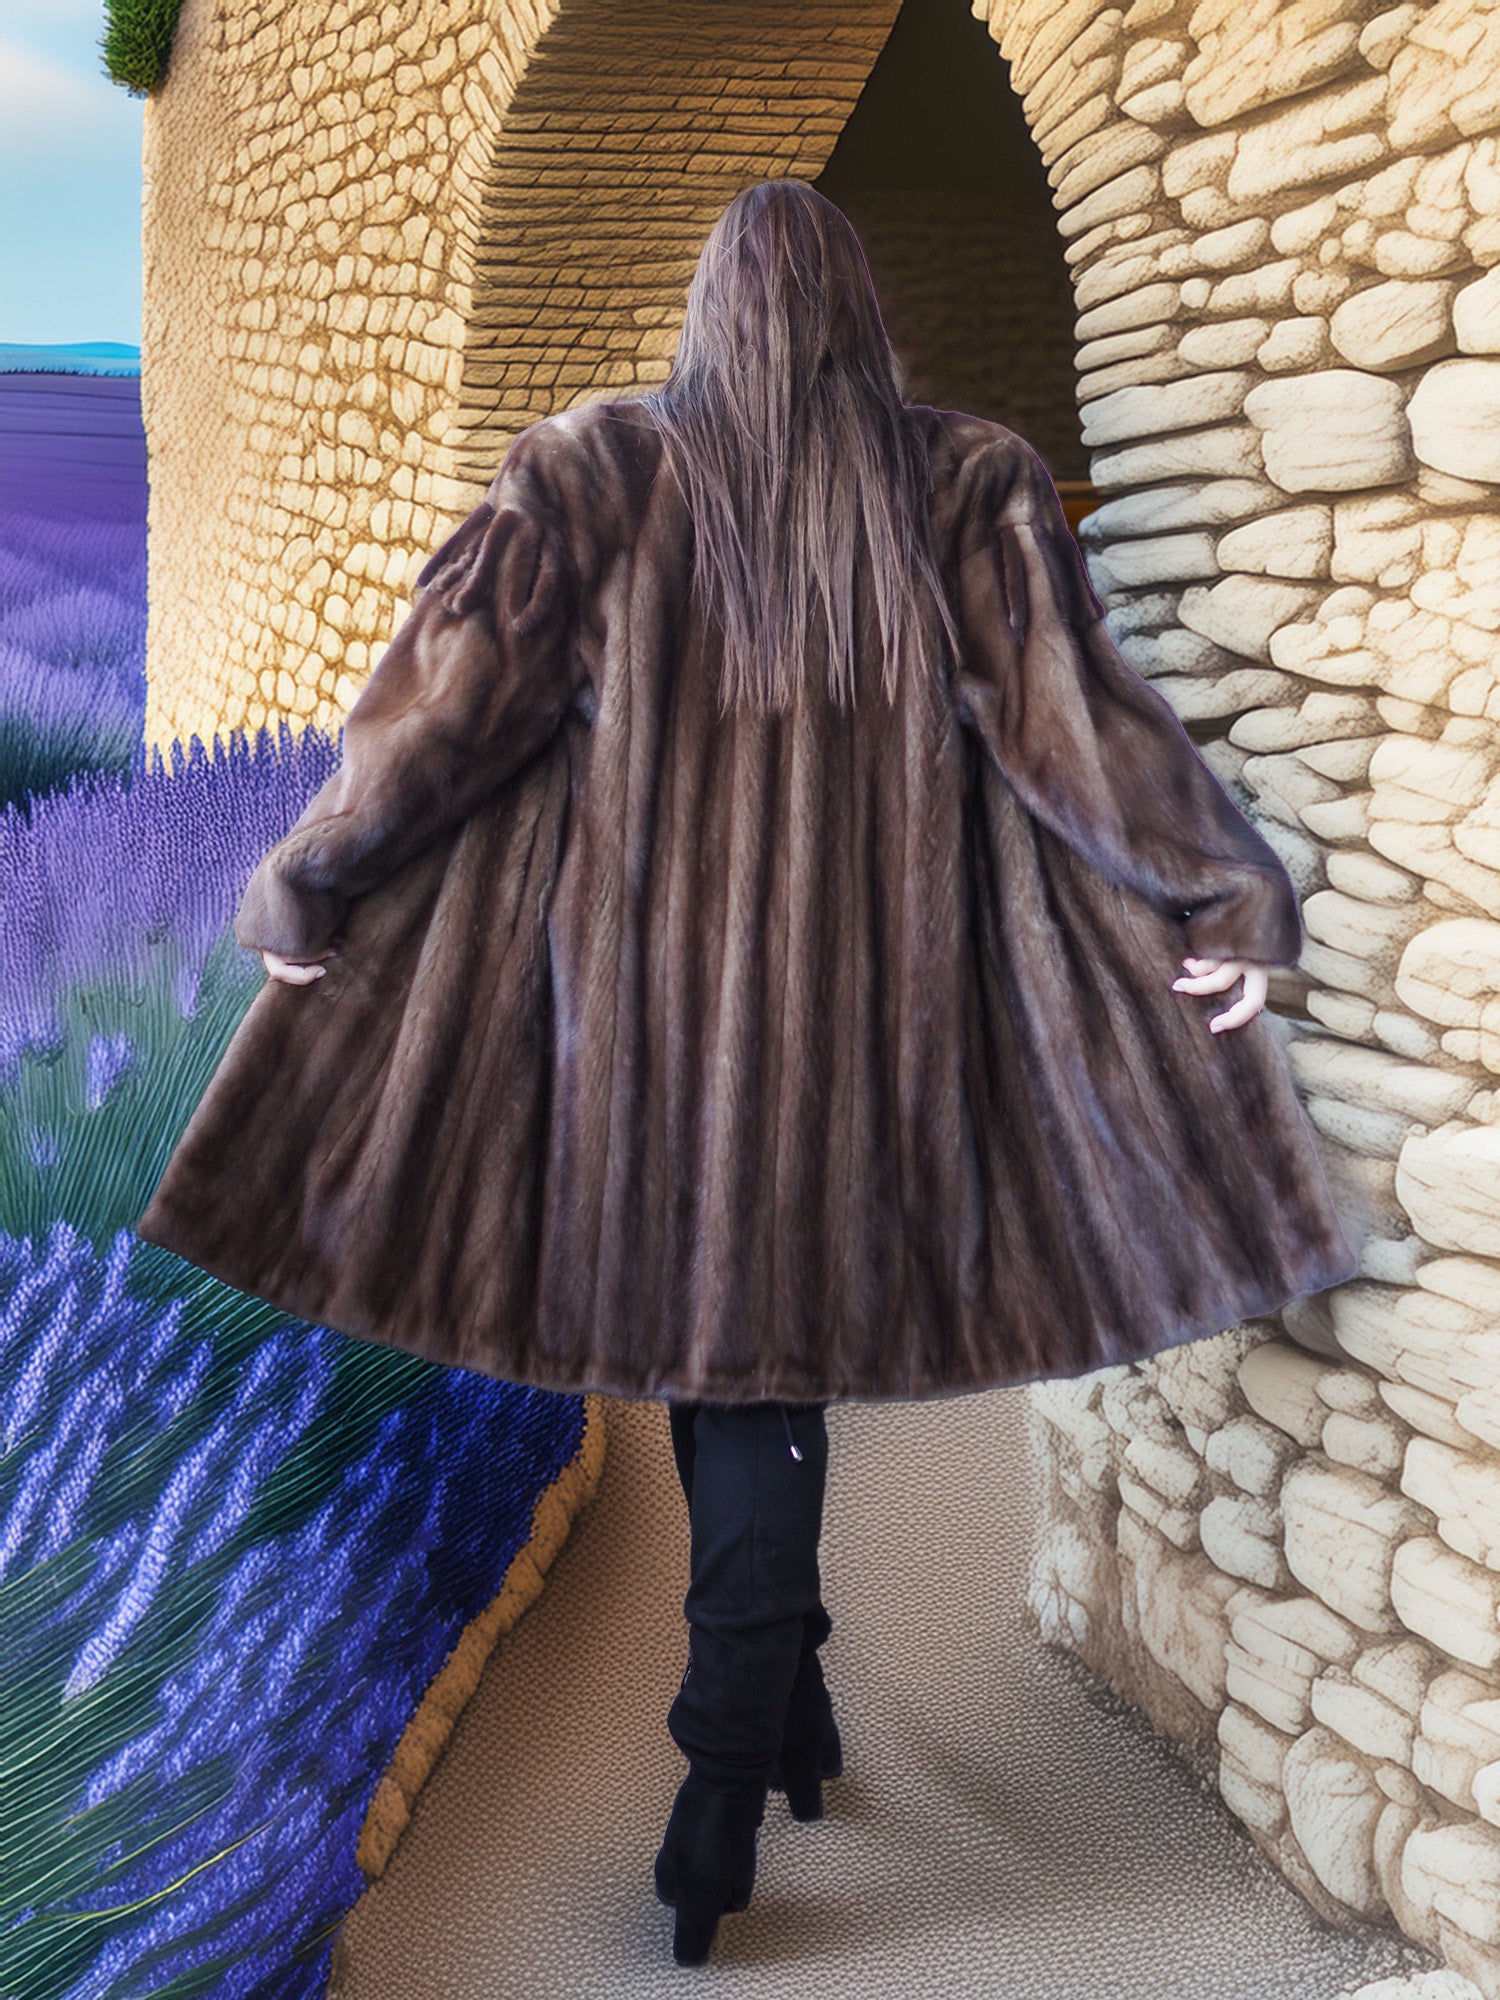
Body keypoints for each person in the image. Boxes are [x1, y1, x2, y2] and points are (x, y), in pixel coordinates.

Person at [141, 178, 1359, 1968]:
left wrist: (316, 870)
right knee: (761, 1368)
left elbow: (445, 714)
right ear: (864, 313)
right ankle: (786, 1714)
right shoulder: (965, 486)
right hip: (876, 1031)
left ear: (708, 309)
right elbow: (1076, 728)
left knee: (737, 1369)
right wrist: (1219, 886)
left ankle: (719, 1783)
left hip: (641, 1031)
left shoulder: (590, 479)